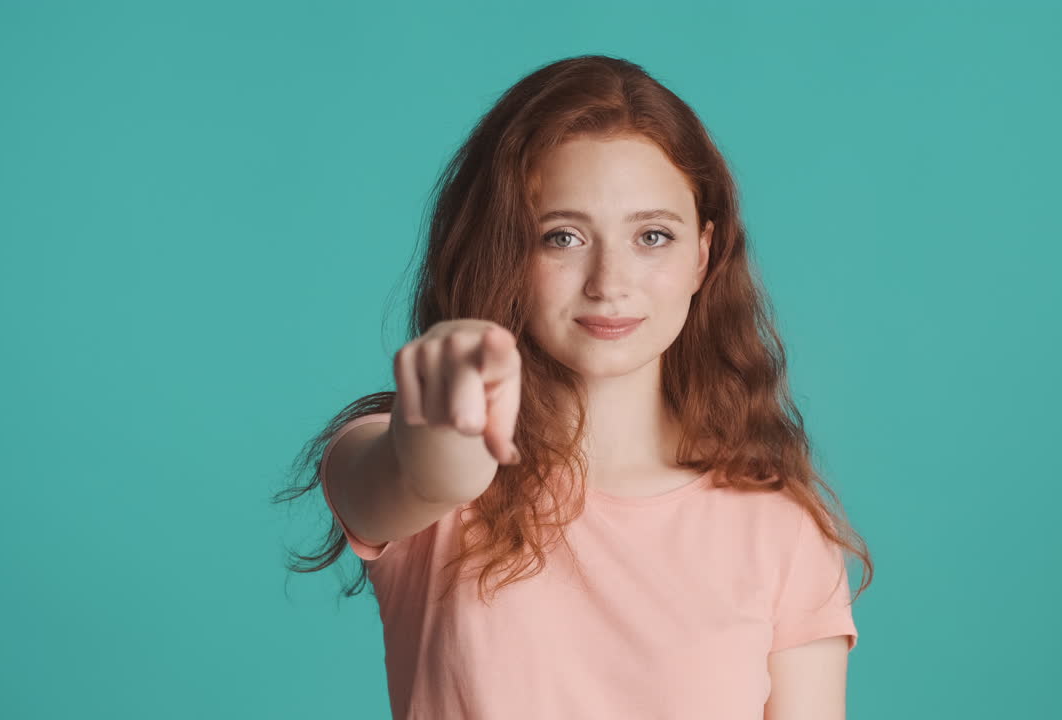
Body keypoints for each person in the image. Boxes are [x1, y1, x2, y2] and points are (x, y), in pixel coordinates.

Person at [281, 54, 873, 720]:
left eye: (653, 235)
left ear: (702, 255)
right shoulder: (404, 465)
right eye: (561, 237)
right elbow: (434, 473)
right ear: (504, 250)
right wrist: (451, 416)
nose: (609, 280)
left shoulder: (778, 530)